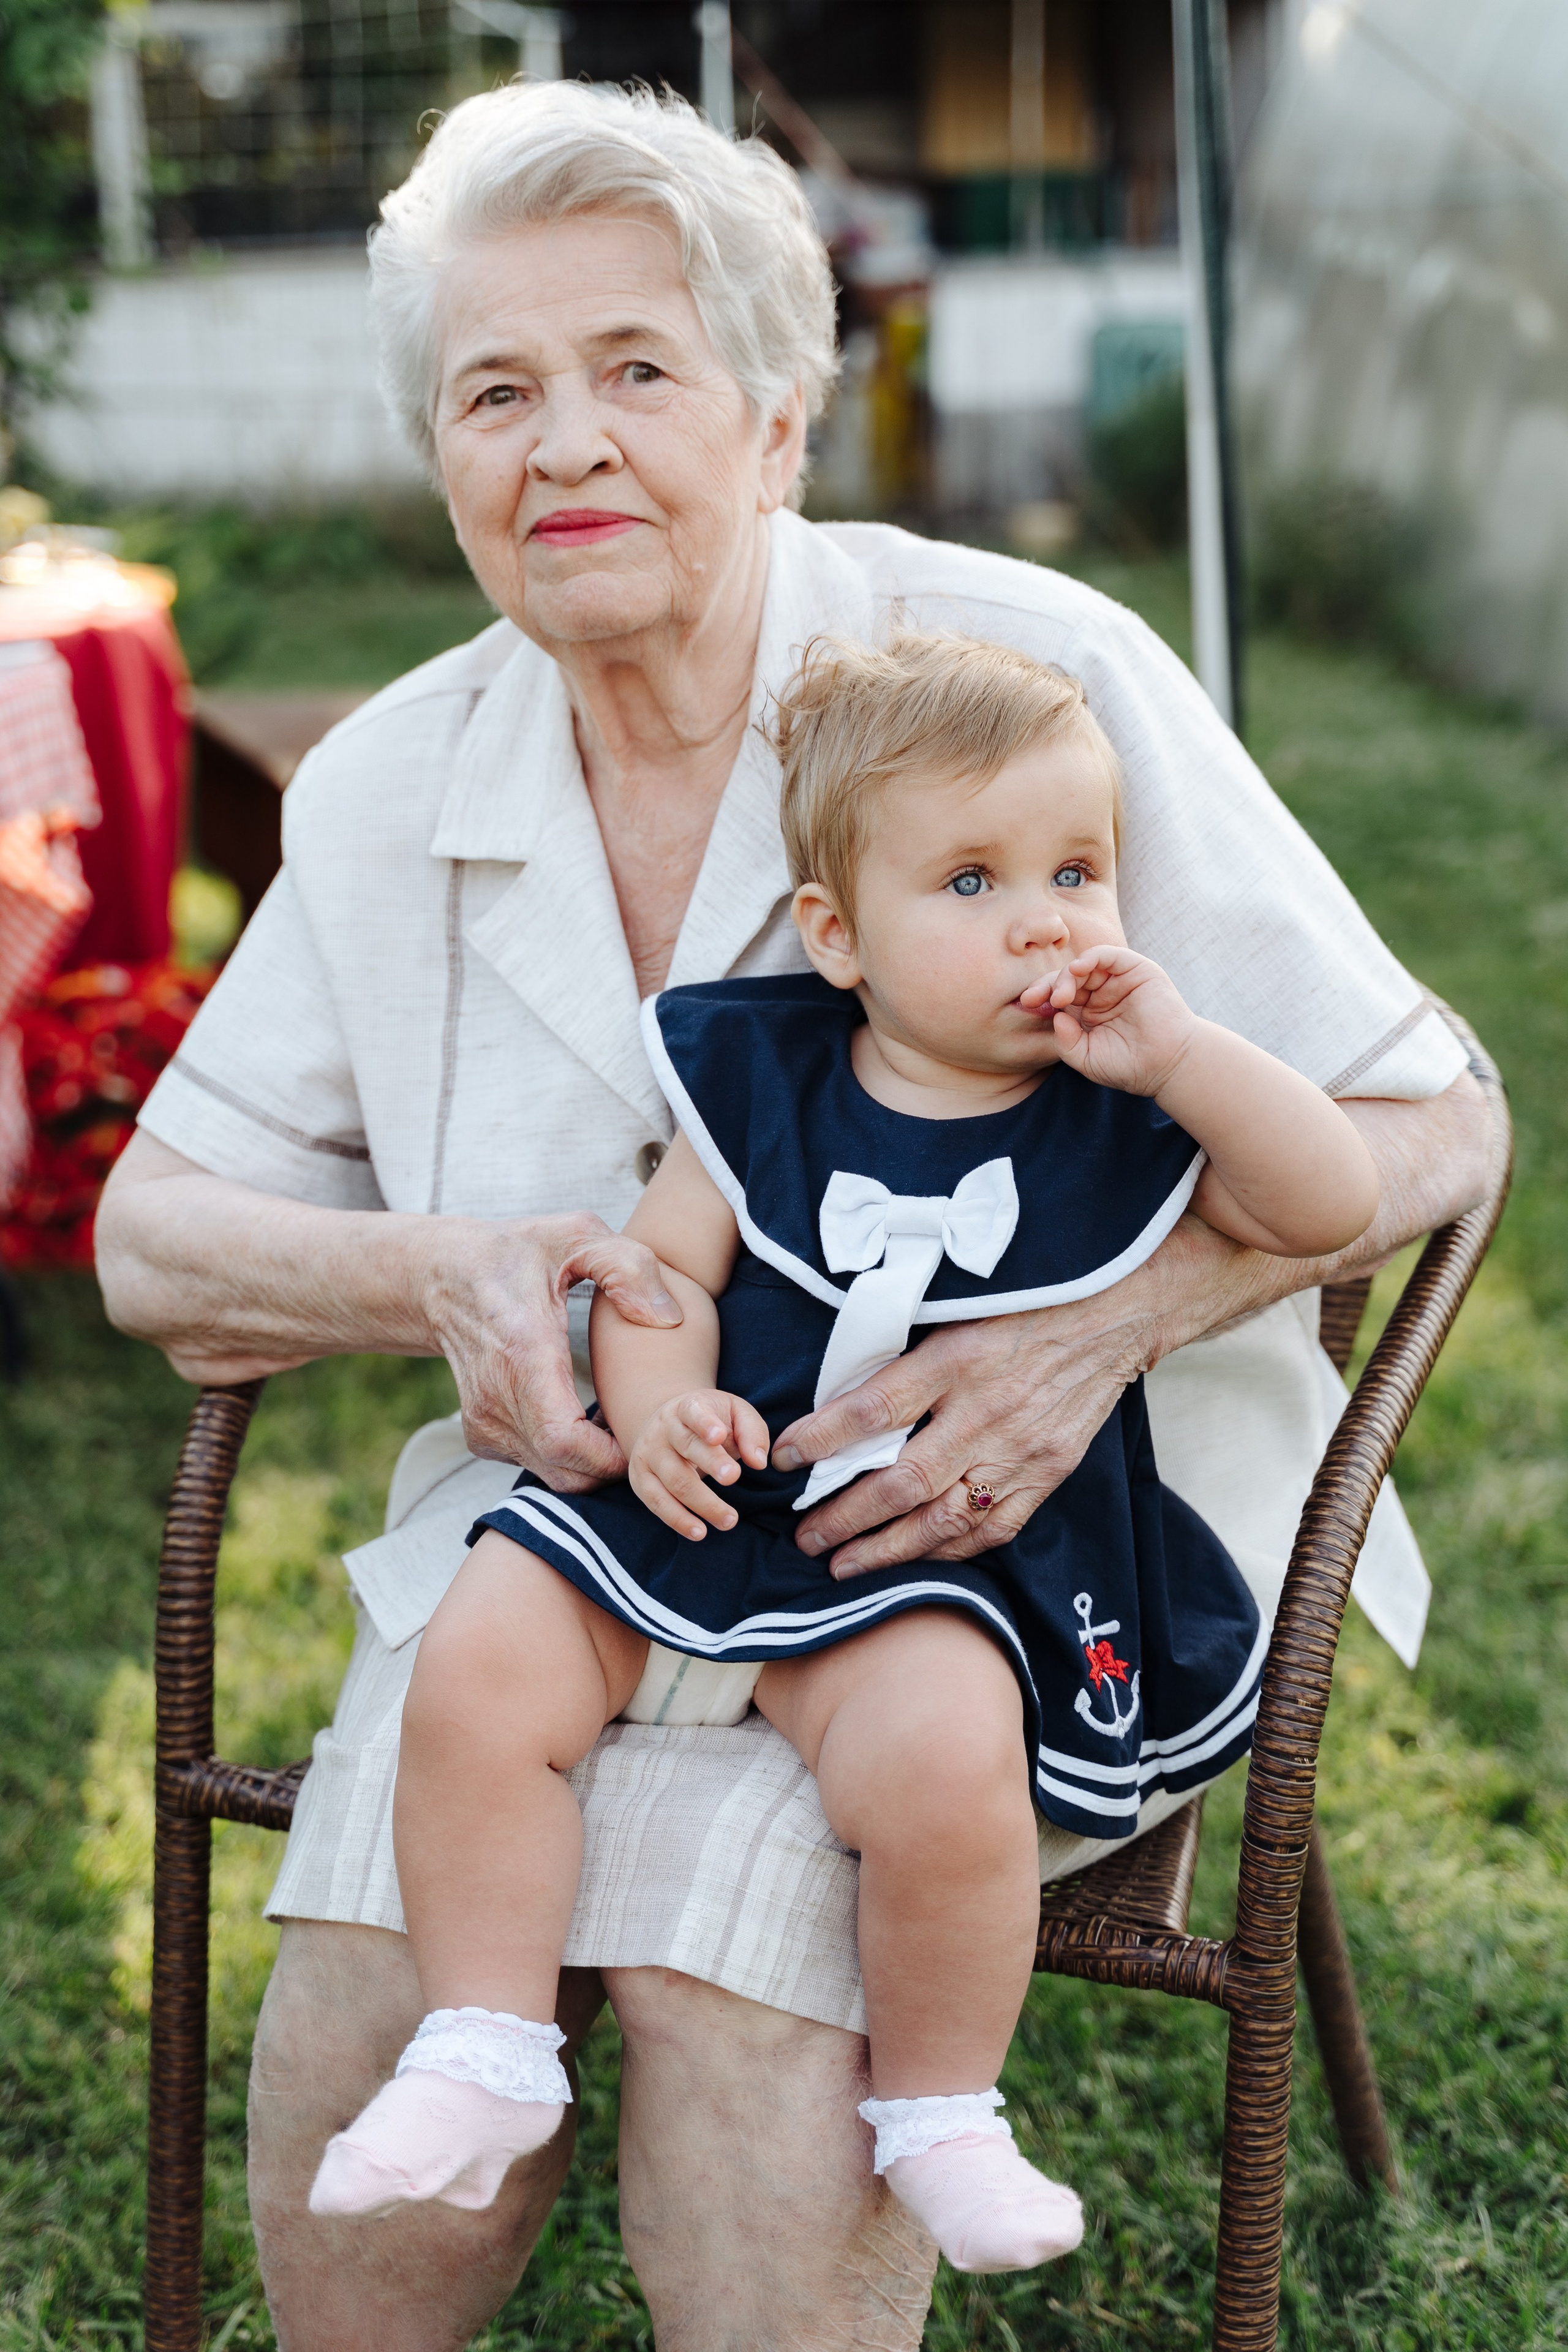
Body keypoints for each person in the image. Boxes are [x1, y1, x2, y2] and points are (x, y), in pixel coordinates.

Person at [95, 79, 1490, 2352]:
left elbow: (1437, 1111)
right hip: (609, 1505)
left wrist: (1098, 1330)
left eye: (637, 372)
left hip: (1031, 1525)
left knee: (748, 1961)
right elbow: (155, 1241)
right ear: (439, 458)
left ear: (774, 415)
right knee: (370, 1939)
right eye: (496, 393)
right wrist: (436, 1273)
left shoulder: (1015, 682)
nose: (567, 447)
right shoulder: (386, 786)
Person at [307, 632, 1382, 2270]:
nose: (1045, 918)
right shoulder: (768, 1077)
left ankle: (943, 2107)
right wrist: (662, 1405)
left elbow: (1330, 1209)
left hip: (942, 1552)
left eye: (1077, 870)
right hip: (714, 1501)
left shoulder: (1124, 1102)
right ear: (838, 935)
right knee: (479, 1668)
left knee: (947, 1772)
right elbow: (664, 1273)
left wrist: (1189, 1060)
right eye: (969, 880)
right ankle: (484, 2043)